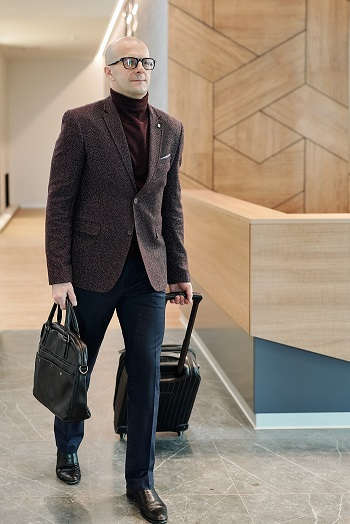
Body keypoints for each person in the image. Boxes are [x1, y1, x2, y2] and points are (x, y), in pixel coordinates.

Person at [45, 36, 192, 524]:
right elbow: (60, 203)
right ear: (109, 71)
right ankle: (68, 448)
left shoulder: (170, 130)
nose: (139, 68)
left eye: (145, 61)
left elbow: (170, 209)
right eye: (128, 61)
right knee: (77, 366)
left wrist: (179, 274)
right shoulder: (82, 123)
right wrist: (59, 274)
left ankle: (141, 483)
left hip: (146, 273)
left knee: (148, 375)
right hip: (90, 271)